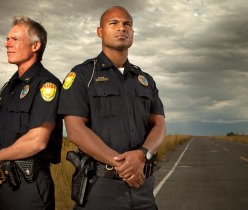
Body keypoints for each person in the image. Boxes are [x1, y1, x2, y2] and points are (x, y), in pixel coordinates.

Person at [58, 6, 166, 210]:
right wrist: (122, 165)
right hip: (100, 188)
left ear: (132, 32)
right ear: (100, 31)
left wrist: (142, 155)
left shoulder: (145, 80)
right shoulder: (83, 75)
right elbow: (75, 131)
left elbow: (159, 125)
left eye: (127, 24)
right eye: (113, 23)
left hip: (142, 185)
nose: (122, 28)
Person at [0, 16, 63, 210]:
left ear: (35, 46)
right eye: (7, 39)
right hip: (3, 184)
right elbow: (2, 131)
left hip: (30, 187)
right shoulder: (9, 88)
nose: (7, 44)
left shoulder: (46, 85)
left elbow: (37, 140)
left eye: (14, 39)